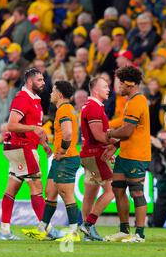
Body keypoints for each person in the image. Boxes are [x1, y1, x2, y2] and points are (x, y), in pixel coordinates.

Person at [22, 81, 81, 242]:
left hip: (66, 158)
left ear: (60, 94)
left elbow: (68, 134)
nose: (50, 93)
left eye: (53, 91)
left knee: (66, 193)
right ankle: (42, 228)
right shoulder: (65, 109)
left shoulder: (64, 110)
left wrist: (62, 150)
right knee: (50, 192)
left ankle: (74, 232)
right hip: (60, 158)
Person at [0, 68, 50, 240]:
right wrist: (33, 128)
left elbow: (35, 127)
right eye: (40, 80)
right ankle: (47, 229)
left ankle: (4, 231)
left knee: (12, 188)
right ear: (30, 82)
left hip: (21, 147)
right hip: (23, 148)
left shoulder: (35, 100)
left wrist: (42, 142)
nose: (43, 83)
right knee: (36, 187)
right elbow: (11, 125)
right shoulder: (22, 98)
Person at [104, 66, 151, 243]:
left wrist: (109, 134)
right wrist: (115, 146)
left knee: (137, 192)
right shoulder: (131, 101)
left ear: (129, 83)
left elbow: (127, 131)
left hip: (137, 155)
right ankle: (124, 230)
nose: (118, 87)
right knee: (117, 188)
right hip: (125, 154)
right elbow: (127, 132)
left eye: (120, 83)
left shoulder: (138, 102)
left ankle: (139, 234)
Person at [78, 77, 116, 241]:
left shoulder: (91, 106)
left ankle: (87, 234)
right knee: (112, 190)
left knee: (90, 194)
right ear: (95, 89)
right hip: (96, 156)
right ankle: (88, 224)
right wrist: (117, 141)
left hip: (88, 154)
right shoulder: (93, 108)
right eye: (105, 86)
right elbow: (98, 135)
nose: (108, 89)